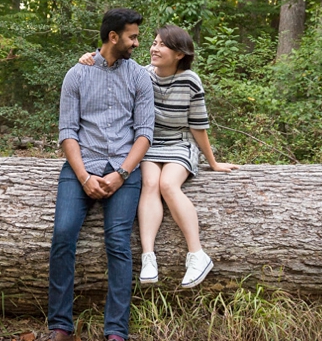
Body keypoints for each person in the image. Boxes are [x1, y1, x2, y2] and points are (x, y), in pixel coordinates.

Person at [29, 8, 155, 341]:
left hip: (123, 170)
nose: (136, 42)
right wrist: (84, 177)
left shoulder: (139, 78)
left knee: (117, 240)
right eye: (132, 36)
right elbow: (67, 132)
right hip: (80, 167)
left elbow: (145, 132)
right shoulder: (77, 74)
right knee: (63, 234)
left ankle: (116, 336)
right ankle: (60, 329)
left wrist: (121, 174)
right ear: (113, 37)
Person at [78, 24, 239, 289]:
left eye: (162, 45)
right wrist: (90, 57)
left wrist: (212, 162)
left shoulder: (190, 81)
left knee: (167, 184)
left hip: (179, 143)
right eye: (154, 42)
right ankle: (148, 257)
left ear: (179, 53)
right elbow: (110, 66)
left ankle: (197, 255)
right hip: (149, 145)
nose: (154, 48)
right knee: (150, 184)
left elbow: (197, 126)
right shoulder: (142, 75)